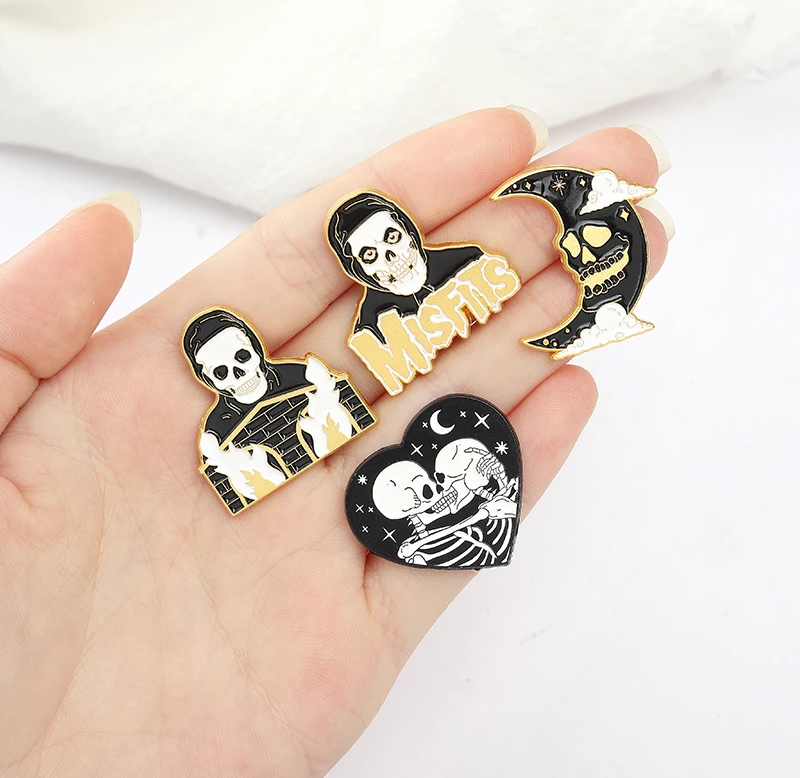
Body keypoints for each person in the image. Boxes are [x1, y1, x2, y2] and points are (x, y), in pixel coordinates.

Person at [0, 108, 671, 776]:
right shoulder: (235, 428)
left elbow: (342, 415)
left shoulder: (421, 301)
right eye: (369, 257)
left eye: (393, 240)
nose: (390, 261)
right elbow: (253, 473)